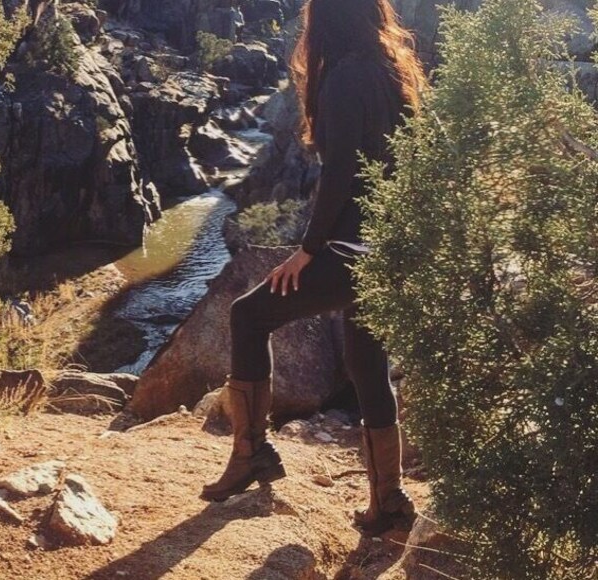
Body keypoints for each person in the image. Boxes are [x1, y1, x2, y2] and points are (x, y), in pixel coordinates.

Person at [199, 0, 427, 536]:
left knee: (248, 317)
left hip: (351, 249)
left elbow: (340, 174)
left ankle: (252, 454)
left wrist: (308, 248)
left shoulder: (344, 78)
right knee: (366, 361)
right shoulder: (392, 72)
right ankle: (387, 501)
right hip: (386, 246)